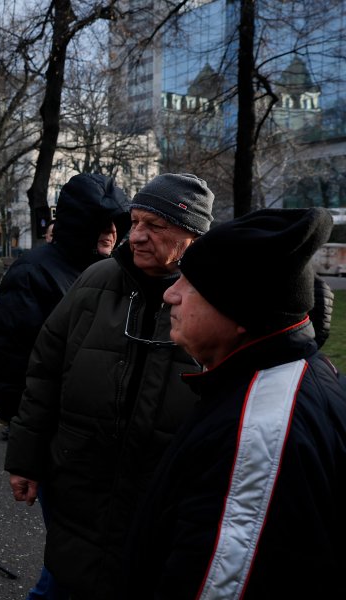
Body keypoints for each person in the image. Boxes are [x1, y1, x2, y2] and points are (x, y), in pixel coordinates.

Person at [5, 173, 215, 599]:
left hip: (163, 499)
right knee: (66, 582)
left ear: (192, 234)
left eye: (153, 226)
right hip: (80, 485)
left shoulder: (216, 300)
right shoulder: (96, 281)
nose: (135, 236)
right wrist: (25, 459)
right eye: (134, 222)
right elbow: (44, 372)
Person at [123, 207, 346, 598]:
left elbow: (219, 584)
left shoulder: (259, 433)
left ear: (240, 310)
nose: (170, 293)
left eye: (191, 284)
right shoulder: (292, 372)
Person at [0, 173, 130, 441]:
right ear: (80, 224)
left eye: (116, 223)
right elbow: (9, 355)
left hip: (98, 426)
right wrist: (25, 428)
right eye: (101, 224)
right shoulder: (33, 271)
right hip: (52, 425)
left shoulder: (113, 271)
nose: (111, 232)